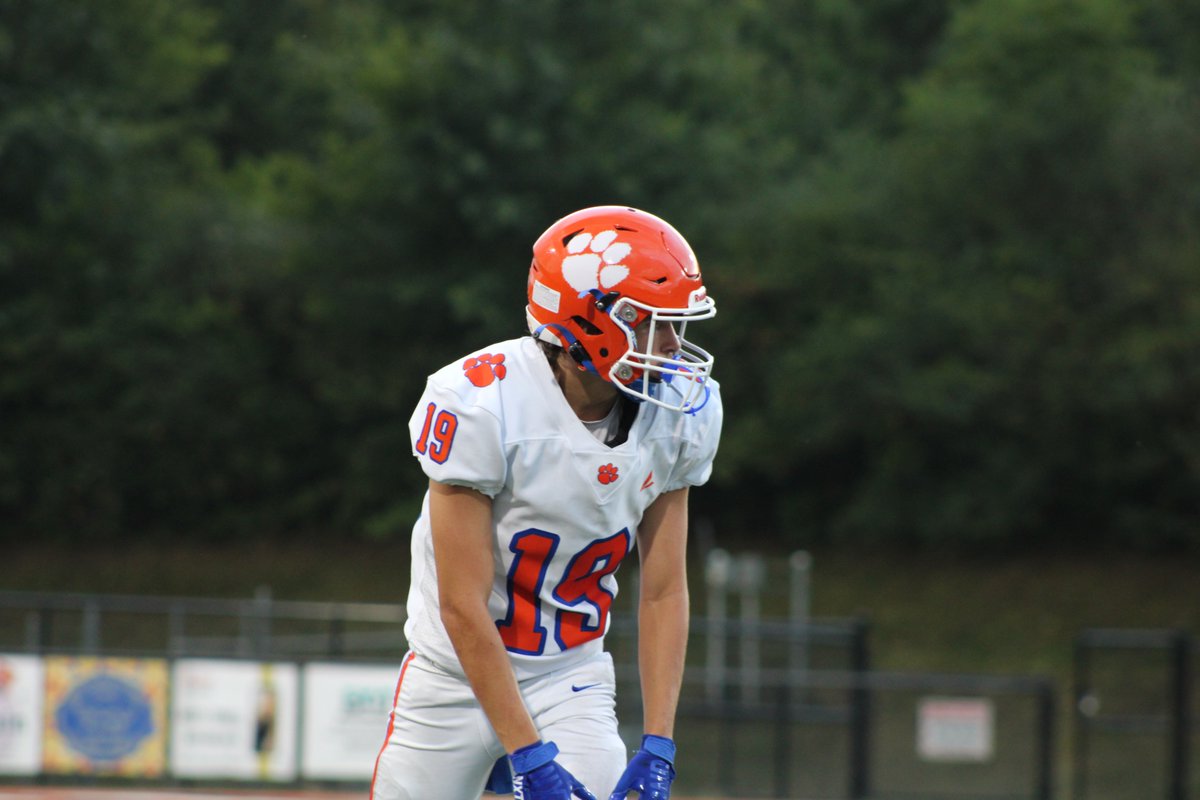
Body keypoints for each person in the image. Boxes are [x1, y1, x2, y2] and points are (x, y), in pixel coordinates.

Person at [370, 205, 723, 800]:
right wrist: (527, 756)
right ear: (589, 323)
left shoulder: (678, 413)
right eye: (651, 323)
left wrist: (660, 742)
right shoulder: (480, 403)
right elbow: (461, 603)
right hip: (449, 676)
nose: (671, 345)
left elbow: (664, 589)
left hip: (568, 674)